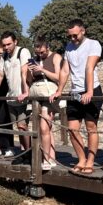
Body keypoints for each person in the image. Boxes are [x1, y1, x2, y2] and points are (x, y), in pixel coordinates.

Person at [49, 19, 103, 175]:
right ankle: (81, 159)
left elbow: (89, 67)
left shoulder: (93, 44)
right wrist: (59, 90)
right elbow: (65, 71)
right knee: (73, 129)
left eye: (75, 35)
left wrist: (90, 92)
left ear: (83, 31)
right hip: (75, 93)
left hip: (92, 89)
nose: (73, 39)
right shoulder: (69, 47)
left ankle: (90, 161)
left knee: (91, 127)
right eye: (70, 36)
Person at [18, 36, 62, 170]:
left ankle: (47, 159)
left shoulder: (56, 57)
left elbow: (59, 77)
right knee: (44, 128)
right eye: (37, 53)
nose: (40, 55)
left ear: (48, 48)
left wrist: (42, 70)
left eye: (42, 53)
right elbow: (30, 81)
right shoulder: (35, 60)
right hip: (37, 94)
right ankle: (49, 157)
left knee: (44, 127)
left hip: (49, 94)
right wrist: (31, 71)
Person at [0, 31, 32, 162]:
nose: (6, 47)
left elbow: (25, 71)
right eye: (4, 45)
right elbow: (0, 75)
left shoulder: (22, 52)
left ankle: (29, 153)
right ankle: (24, 153)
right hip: (11, 97)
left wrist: (25, 92)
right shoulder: (5, 56)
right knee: (18, 126)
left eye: (9, 44)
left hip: (22, 96)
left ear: (15, 42)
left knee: (23, 125)